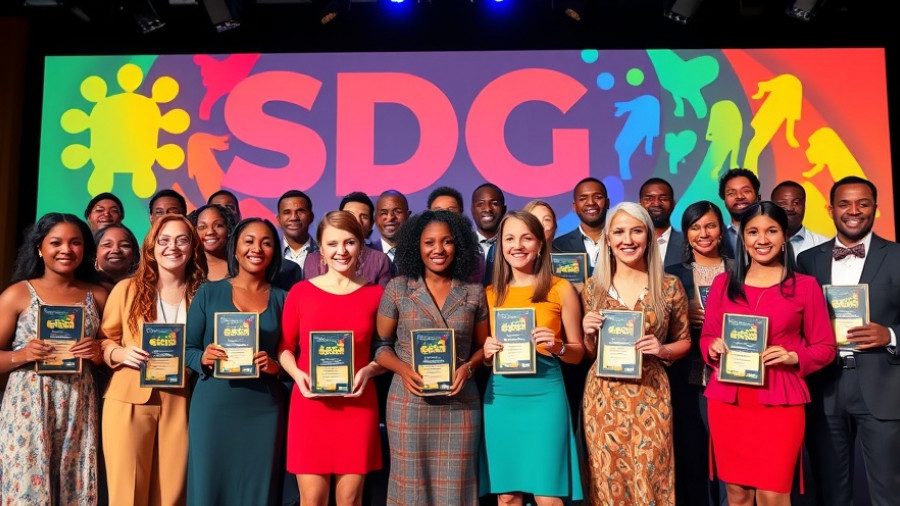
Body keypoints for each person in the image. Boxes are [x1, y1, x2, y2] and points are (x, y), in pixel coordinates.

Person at [701, 202, 835, 506]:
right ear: (742, 237)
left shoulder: (805, 286)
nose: (762, 240)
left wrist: (794, 356)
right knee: (738, 495)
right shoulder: (723, 284)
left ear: (784, 236)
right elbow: (708, 336)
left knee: (773, 494)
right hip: (728, 400)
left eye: (771, 231)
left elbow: (825, 348)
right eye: (753, 232)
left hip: (780, 401)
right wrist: (711, 347)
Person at [797, 176, 900, 506]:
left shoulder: (897, 255)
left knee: (888, 491)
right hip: (825, 387)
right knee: (832, 492)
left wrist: (892, 334)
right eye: (844, 204)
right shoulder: (807, 261)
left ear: (875, 209)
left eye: (863, 203)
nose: (853, 211)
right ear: (830, 210)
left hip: (883, 386)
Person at [374, 210, 488, 505]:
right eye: (429, 243)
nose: (438, 250)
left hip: (459, 405)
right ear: (416, 246)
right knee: (410, 490)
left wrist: (469, 369)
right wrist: (402, 369)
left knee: (457, 489)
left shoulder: (474, 293)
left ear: (459, 245)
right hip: (410, 404)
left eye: (447, 242)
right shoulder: (398, 288)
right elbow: (380, 345)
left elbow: (483, 347)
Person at [580, 202, 690, 505]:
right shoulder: (593, 289)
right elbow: (590, 353)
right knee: (607, 477)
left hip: (650, 395)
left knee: (650, 473)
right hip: (603, 397)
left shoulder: (668, 286)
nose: (627, 239)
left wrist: (662, 348)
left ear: (649, 237)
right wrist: (588, 333)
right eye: (619, 232)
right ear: (608, 241)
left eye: (636, 231)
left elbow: (684, 341)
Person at [98, 214, 207, 505]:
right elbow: (103, 340)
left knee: (172, 493)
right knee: (126, 492)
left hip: (183, 400)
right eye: (165, 240)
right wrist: (119, 352)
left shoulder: (204, 295)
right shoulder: (127, 289)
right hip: (129, 400)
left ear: (193, 247)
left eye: (182, 240)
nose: (173, 247)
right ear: (152, 247)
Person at [0, 213, 109, 503]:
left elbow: (113, 352)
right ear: (39, 247)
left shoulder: (98, 295)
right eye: (56, 242)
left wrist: (98, 354)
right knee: (26, 483)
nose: (66, 250)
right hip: (27, 404)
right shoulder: (17, 294)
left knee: (75, 484)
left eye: (75, 243)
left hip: (78, 403)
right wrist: (21, 355)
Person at [279, 211, 384, 506]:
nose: (342, 251)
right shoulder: (300, 293)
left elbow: (386, 351)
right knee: (312, 500)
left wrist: (369, 371)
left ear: (361, 247)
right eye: (333, 244)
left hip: (357, 405)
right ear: (321, 250)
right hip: (311, 406)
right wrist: (298, 375)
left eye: (349, 242)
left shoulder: (377, 295)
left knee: (350, 500)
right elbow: (285, 347)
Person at [480, 212, 585, 504]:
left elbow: (578, 353)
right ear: (500, 246)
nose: (518, 246)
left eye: (527, 238)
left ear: (540, 243)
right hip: (501, 397)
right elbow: (482, 356)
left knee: (548, 496)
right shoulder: (489, 294)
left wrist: (557, 346)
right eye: (510, 238)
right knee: (507, 497)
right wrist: (486, 354)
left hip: (545, 396)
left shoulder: (560, 288)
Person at [184, 218, 288, 506]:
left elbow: (295, 356)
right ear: (236, 248)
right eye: (249, 241)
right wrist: (202, 357)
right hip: (213, 407)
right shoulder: (208, 292)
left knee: (257, 488)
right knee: (209, 484)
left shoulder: (285, 299)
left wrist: (276, 366)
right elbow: (187, 349)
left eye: (266, 243)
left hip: (263, 409)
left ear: (274, 252)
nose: (257, 248)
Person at [664, 200, 732, 506]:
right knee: (692, 453)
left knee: (730, 458)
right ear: (686, 233)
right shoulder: (671, 275)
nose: (703, 233)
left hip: (732, 374)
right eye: (695, 227)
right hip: (685, 377)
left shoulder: (740, 269)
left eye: (710, 225)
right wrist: (681, 312)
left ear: (721, 230)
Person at [304, 194, 392, 287]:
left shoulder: (380, 260)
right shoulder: (313, 260)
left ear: (371, 224)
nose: (357, 221)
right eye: (349, 215)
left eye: (364, 216)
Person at [553, 177, 609, 276]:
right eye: (583, 199)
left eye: (597, 197)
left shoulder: (622, 242)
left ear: (607, 203)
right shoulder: (558, 246)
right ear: (574, 207)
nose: (591, 203)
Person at [771, 180, 828, 258]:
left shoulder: (824, 245)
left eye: (796, 203)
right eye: (783, 204)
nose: (789, 208)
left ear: (804, 206)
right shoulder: (759, 244)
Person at [639, 177, 684, 267]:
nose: (656, 203)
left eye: (663, 199)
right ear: (640, 205)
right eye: (649, 199)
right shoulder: (629, 242)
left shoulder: (687, 243)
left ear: (673, 204)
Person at [189, 204, 236, 282]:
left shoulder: (241, 266)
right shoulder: (188, 269)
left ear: (228, 229)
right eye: (202, 227)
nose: (210, 232)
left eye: (218, 225)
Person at [470, 183, 506, 286]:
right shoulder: (462, 246)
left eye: (494, 203)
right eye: (480, 204)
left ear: (504, 210)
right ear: (472, 210)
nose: (487, 209)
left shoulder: (513, 248)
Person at [718, 168, 760, 254]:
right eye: (731, 193)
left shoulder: (773, 232)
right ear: (724, 199)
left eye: (746, 191)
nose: (739, 196)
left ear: (757, 196)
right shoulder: (717, 237)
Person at [94, 224, 140, 291]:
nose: (116, 250)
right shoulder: (83, 287)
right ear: (94, 253)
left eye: (124, 245)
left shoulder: (144, 288)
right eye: (107, 245)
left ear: (134, 255)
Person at [374, 190, 411, 266]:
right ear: (375, 218)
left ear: (408, 216)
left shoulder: (419, 252)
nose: (390, 217)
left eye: (397, 211)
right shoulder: (364, 255)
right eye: (384, 213)